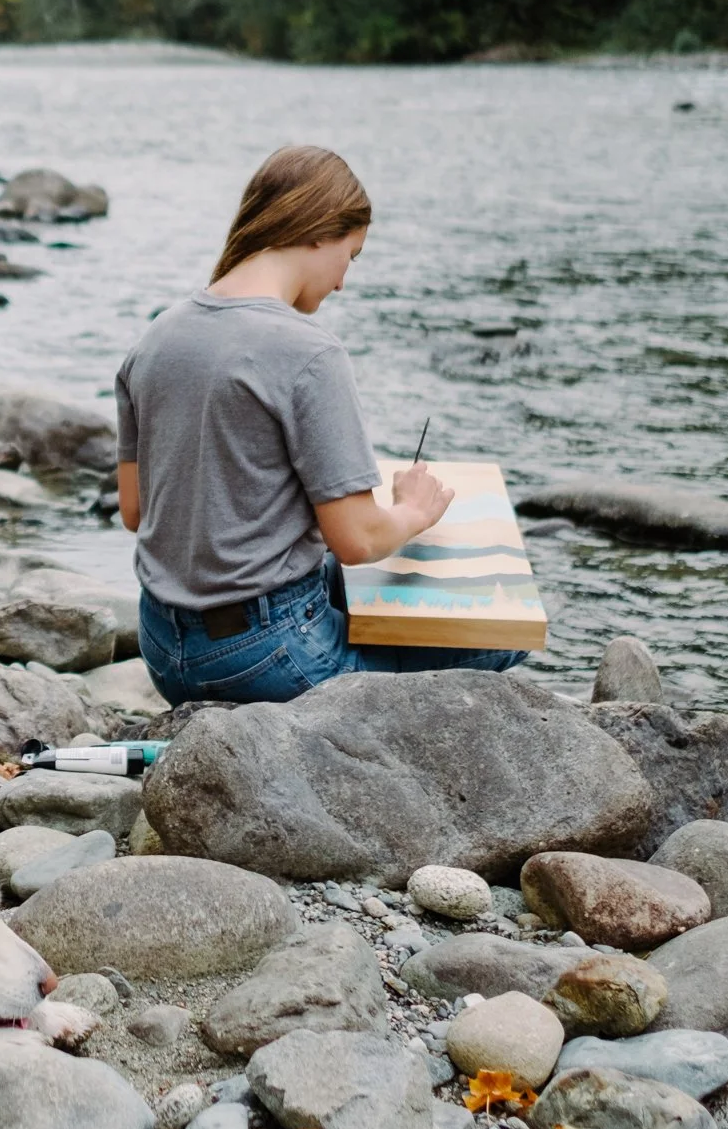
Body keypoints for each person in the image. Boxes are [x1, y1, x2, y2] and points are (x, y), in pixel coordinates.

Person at [115, 143, 530, 708]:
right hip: (266, 657)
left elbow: (137, 512)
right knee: (499, 645)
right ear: (317, 231)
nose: (342, 283)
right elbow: (358, 540)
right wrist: (414, 510)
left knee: (336, 579)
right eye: (350, 256)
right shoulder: (309, 352)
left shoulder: (156, 338)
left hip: (164, 648)